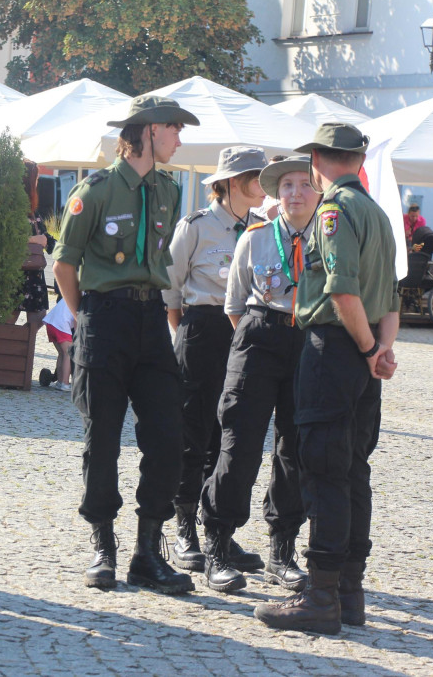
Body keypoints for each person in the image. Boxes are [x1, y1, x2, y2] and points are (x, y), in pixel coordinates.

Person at [255, 122, 400, 635]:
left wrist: (364, 349)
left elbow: (341, 292)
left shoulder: (334, 211)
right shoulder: (379, 214)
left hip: (335, 350)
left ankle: (320, 597)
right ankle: (348, 591)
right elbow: (392, 297)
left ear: (317, 159)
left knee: (324, 471)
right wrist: (381, 350)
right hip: (364, 354)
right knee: (354, 470)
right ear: (358, 159)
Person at [53, 95, 198, 593]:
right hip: (105, 317)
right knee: (104, 438)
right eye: (175, 128)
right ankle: (102, 545)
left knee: (167, 433)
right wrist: (85, 317)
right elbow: (64, 265)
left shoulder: (168, 188)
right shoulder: (93, 190)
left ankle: (147, 551)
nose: (180, 139)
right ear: (150, 130)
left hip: (150, 318)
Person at [199, 156, 317, 593]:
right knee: (239, 443)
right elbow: (234, 307)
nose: (296, 193)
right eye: (287, 185)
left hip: (308, 341)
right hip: (259, 335)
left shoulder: (329, 239)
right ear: (276, 193)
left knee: (295, 449)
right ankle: (217, 544)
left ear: (318, 191)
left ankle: (281, 550)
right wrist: (261, 340)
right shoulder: (255, 237)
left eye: (305, 184)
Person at [163, 146, 268, 575]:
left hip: (244, 335)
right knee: (194, 433)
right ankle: (185, 528)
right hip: (202, 329)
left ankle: (217, 530)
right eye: (258, 177)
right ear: (231, 182)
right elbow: (170, 290)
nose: (266, 185)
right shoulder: (196, 227)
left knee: (231, 436)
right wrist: (185, 333)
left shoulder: (263, 230)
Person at [8, 160, 55, 333]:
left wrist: (60, 247)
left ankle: (20, 342)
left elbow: (44, 237)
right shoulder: (13, 209)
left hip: (34, 275)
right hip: (17, 274)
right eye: (36, 179)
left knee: (39, 318)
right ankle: (11, 345)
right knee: (4, 320)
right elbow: (7, 238)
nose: (37, 183)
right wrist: (35, 240)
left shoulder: (33, 210)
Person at [40, 296, 75, 391]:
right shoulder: (84, 298)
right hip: (61, 324)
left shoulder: (71, 291)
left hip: (50, 323)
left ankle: (60, 382)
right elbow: (77, 320)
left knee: (62, 353)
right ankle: (65, 383)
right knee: (69, 353)